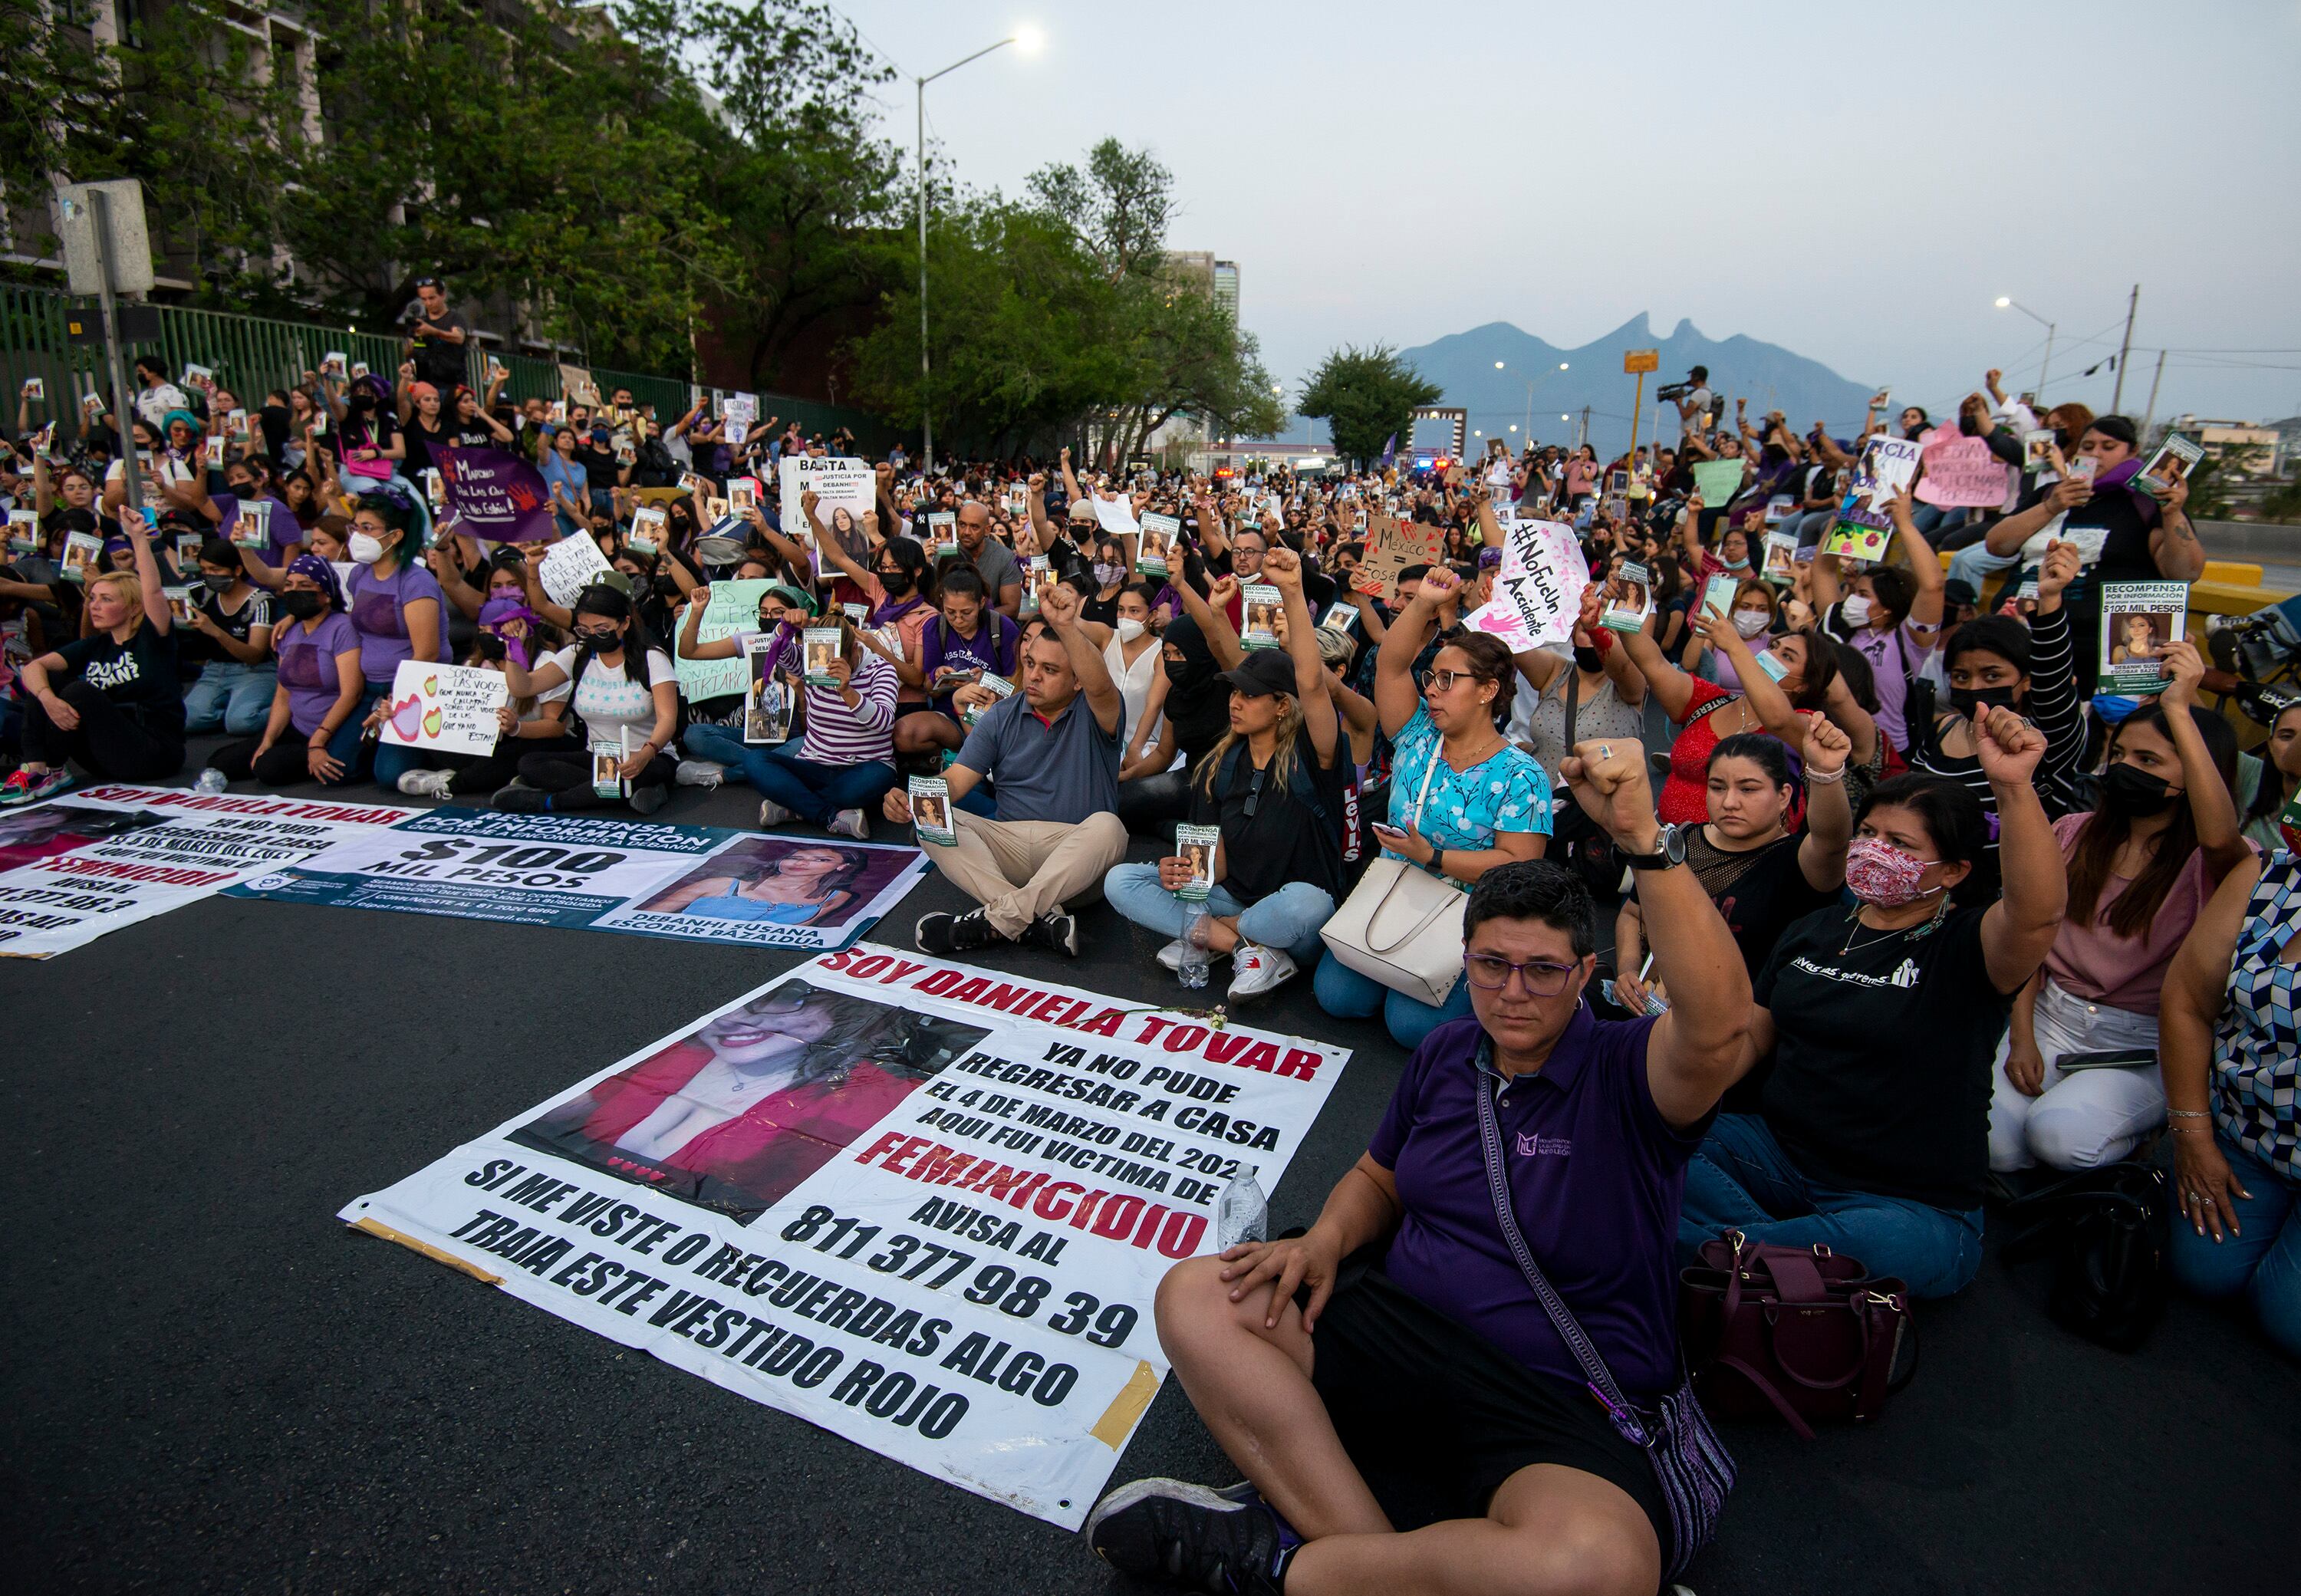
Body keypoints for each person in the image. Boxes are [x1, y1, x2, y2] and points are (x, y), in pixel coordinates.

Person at [1090, 752, 1755, 1596]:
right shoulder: (1447, 1051)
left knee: (1600, 1566)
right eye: (1491, 964)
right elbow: (1379, 1174)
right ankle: (1377, 1561)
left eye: (1544, 970)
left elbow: (1720, 1025)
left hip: (1554, 1389)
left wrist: (1644, 843)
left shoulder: (1630, 1072)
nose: (1514, 992)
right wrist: (1325, 1241)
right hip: (1399, 1325)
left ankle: (1291, 1559)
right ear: (1466, 959)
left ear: (1585, 974)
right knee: (1195, 1294)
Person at [1678, 716, 2066, 1297]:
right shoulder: (1814, 929)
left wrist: (2013, 787)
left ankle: (1713, 1248)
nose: (1874, 851)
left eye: (1901, 844)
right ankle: (1766, 1255)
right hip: (1776, 1157)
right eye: (1868, 834)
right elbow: (1752, 1034)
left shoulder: (1967, 948)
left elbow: (2037, 914)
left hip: (1905, 1204)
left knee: (1878, 1243)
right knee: (1658, 1145)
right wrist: (1670, 1105)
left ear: (1955, 871)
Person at [1990, 673, 2248, 1173]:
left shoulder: (2213, 866)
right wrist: (2021, 1035)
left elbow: (2221, 841)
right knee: (1996, 1146)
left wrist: (2178, 707)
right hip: (2049, 1017)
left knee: (2058, 1136)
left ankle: (2139, 1152)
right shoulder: (2072, 833)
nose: (2125, 768)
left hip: (2145, 1042)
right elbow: (2027, 937)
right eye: (2122, 753)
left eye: (2148, 760)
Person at [1314, 564, 1551, 1050]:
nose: (1432, 690)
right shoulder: (1419, 733)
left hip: (1468, 914)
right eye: (1432, 678)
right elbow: (1392, 665)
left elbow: (1518, 867)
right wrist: (1423, 601)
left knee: (1412, 1027)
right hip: (1393, 894)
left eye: (1448, 679)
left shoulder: (1523, 776)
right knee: (1336, 997)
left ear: (1488, 691)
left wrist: (1434, 857)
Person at [1104, 548, 1343, 1001]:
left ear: (1282, 707)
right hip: (1233, 896)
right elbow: (1214, 867)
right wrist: (1183, 873)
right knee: (1122, 881)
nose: (1235, 702)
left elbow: (1310, 682)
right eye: (1233, 691)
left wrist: (1292, 590)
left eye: (1250, 696)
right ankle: (1241, 948)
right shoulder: (1221, 762)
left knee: (1305, 904)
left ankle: (1212, 936)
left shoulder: (1314, 754)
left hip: (1295, 914)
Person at [887, 583, 1129, 957]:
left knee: (1110, 827)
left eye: (1050, 670)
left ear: (1077, 679)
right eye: (1031, 663)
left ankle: (993, 921)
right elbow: (955, 781)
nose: (1033, 676)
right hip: (1010, 846)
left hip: (1075, 860)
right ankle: (1029, 920)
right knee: (930, 819)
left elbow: (1101, 685)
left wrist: (1066, 626)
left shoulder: (1097, 711)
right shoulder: (1002, 714)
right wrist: (911, 797)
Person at [2158, 847, 2301, 1358]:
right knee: (2200, 1272)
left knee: (2288, 1322)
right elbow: (2188, 1000)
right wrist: (2192, 1136)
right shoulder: (2268, 872)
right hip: (2244, 1131)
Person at [1612, 721, 1854, 1018]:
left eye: (1748, 789)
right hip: (1649, 1017)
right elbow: (1633, 913)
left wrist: (1825, 774)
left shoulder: (1798, 861)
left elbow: (1833, 841)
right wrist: (1627, 970)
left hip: (1735, 1033)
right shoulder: (1681, 840)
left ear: (1783, 796)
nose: (1729, 802)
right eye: (1717, 787)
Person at [2, 515, 183, 801]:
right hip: (105, 753)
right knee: (47, 678)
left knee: (79, 691)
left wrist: (137, 539)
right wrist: (49, 699)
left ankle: (47, 766)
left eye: (106, 600)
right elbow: (34, 667)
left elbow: (152, 591)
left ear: (135, 608)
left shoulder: (153, 637)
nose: (95, 606)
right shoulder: (96, 645)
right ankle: (41, 768)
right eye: (93, 598)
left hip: (153, 751)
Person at [493, 581, 680, 813]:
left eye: (602, 629)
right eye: (584, 630)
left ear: (625, 623)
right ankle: (626, 793)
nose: (593, 636)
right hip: (598, 758)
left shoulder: (652, 658)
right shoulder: (578, 654)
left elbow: (667, 719)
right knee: (530, 763)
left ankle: (549, 801)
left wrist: (645, 753)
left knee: (633, 776)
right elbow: (525, 687)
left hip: (650, 756)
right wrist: (514, 651)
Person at [208, 557, 367, 787]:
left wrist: (318, 741)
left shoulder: (342, 628)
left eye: (305, 586)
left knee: (268, 770)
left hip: (330, 728)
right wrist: (268, 740)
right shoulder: (290, 631)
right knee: (220, 762)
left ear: (326, 594)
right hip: (297, 725)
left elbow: (351, 693)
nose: (295, 592)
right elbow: (283, 695)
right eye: (289, 585)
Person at [178, 538, 276, 737]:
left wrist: (216, 631)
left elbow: (255, 655)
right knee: (185, 720)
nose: (208, 576)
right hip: (215, 669)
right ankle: (228, 710)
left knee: (242, 723)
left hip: (255, 671)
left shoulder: (260, 601)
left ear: (237, 570)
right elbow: (166, 596)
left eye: (215, 570)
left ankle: (287, 713)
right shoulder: (203, 593)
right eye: (204, 570)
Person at [642, 844, 870, 927]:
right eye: (798, 857)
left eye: (822, 860)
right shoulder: (720, 884)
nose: (803, 863)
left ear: (841, 867)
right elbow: (646, 918)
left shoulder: (834, 897)